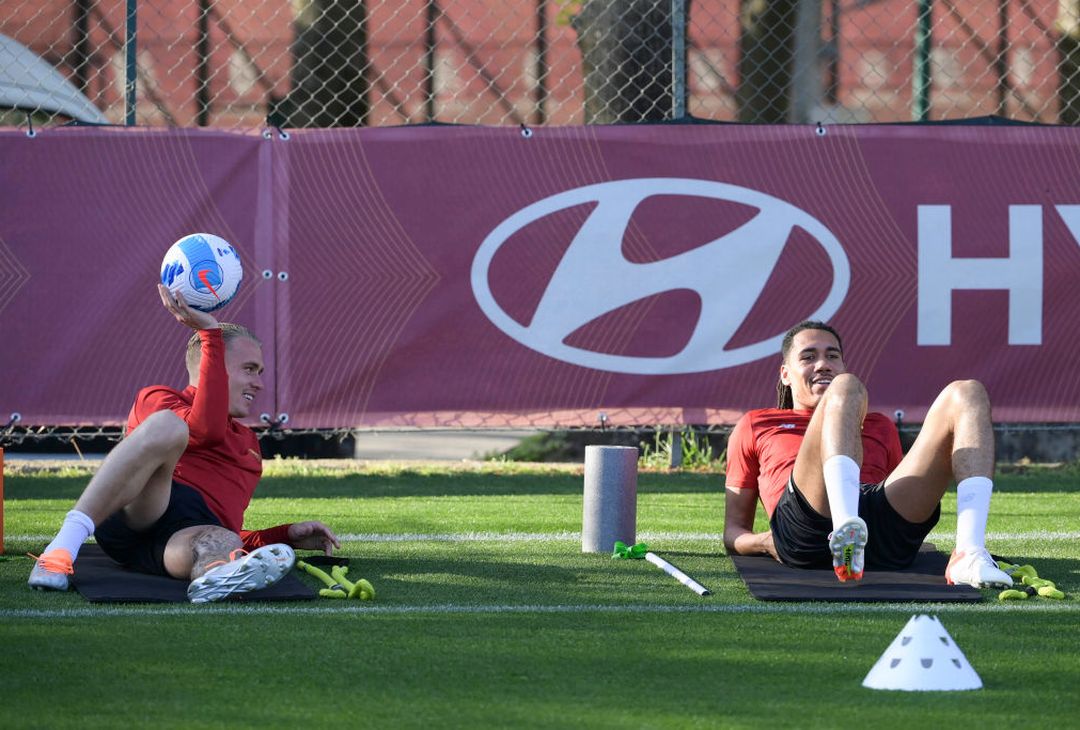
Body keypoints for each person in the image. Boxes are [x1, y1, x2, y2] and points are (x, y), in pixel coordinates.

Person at [29, 284, 340, 603]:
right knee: (169, 425)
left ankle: (215, 577)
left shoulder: (248, 446)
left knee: (222, 539)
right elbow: (206, 431)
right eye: (249, 370)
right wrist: (210, 333)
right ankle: (60, 550)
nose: (259, 383)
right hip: (140, 510)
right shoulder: (159, 398)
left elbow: (234, 530)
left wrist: (284, 535)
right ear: (213, 364)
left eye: (260, 372)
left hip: (175, 544)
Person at [723, 320, 1012, 587]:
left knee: (968, 392)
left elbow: (894, 496)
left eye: (832, 356)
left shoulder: (880, 426)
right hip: (806, 532)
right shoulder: (756, 423)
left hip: (879, 536)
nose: (823, 364)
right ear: (786, 374)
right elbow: (733, 531)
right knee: (846, 386)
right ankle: (844, 532)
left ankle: (969, 553)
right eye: (809, 357)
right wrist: (763, 542)